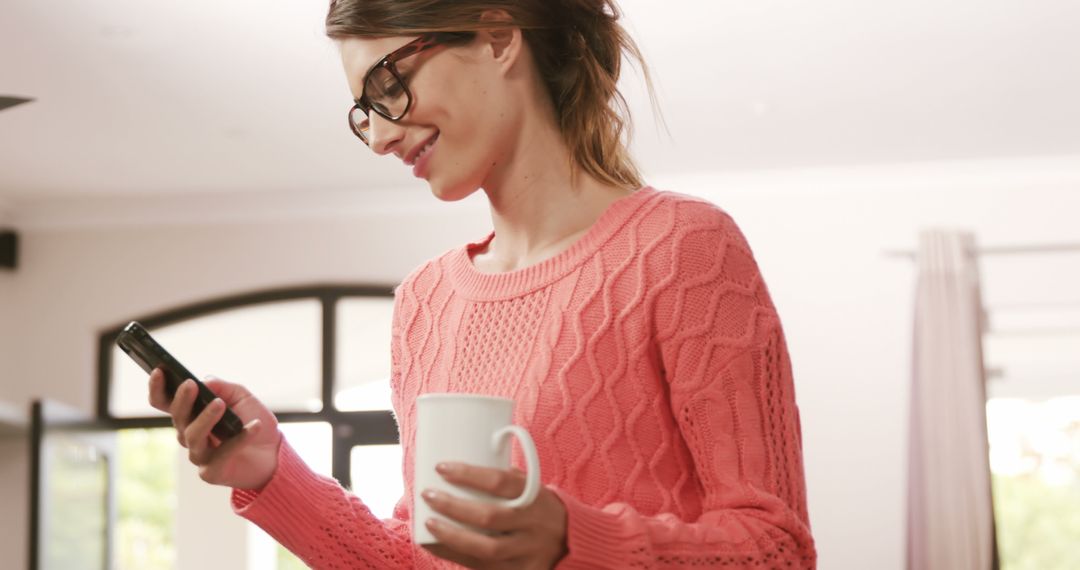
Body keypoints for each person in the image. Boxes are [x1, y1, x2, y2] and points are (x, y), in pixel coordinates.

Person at [147, 0, 818, 568]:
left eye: (387, 85)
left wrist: (570, 539)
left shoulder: (684, 246)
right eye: (364, 112)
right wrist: (269, 473)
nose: (380, 136)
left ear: (498, 38)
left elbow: (777, 547)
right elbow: (423, 555)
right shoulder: (425, 301)